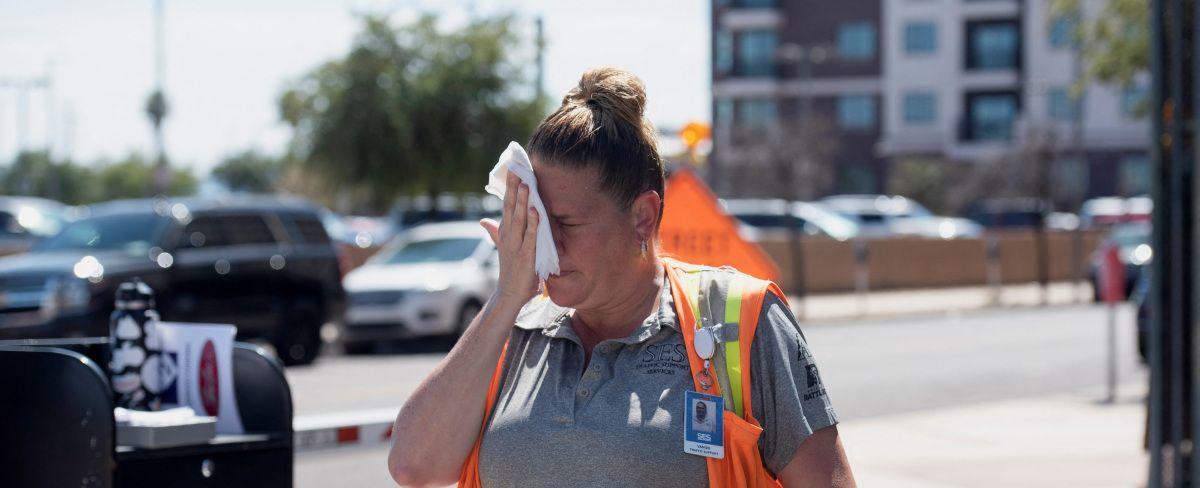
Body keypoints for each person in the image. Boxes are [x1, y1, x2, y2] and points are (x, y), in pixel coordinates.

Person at [388, 67, 855, 488]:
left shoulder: (741, 319)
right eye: (535, 222)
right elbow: (414, 468)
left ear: (642, 219)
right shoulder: (514, 328)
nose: (545, 246)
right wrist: (507, 298)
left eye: (565, 224)